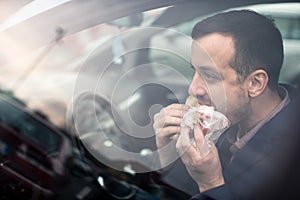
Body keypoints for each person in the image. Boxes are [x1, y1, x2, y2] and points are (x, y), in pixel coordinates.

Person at [153, 10, 300, 200]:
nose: (193, 89)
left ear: (255, 84)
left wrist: (211, 184)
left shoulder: (291, 157)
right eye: (195, 71)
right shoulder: (225, 121)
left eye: (210, 76)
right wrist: (168, 157)